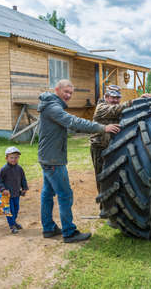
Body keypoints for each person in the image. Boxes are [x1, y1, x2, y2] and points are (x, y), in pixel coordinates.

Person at [37, 79, 120, 243]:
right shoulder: (53, 108)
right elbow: (74, 123)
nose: (68, 95)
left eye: (70, 93)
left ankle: (48, 228)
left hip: (47, 157)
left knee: (47, 194)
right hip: (54, 159)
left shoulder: (51, 106)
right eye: (65, 92)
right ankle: (69, 232)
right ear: (57, 90)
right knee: (65, 195)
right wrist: (102, 127)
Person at [90, 85, 151, 195]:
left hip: (115, 147)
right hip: (100, 148)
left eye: (117, 98)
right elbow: (116, 109)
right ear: (106, 97)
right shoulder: (101, 108)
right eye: (112, 98)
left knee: (116, 176)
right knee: (102, 177)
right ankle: (103, 202)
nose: (115, 100)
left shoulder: (118, 107)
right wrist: (136, 101)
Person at [0, 146, 29, 234]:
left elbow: (23, 179)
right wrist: (3, 189)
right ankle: (12, 226)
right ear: (6, 158)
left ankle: (13, 222)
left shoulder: (19, 169)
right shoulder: (4, 169)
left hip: (16, 194)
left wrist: (25, 188)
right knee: (9, 211)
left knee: (16, 209)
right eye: (11, 157)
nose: (14, 159)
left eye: (16, 157)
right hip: (6, 195)